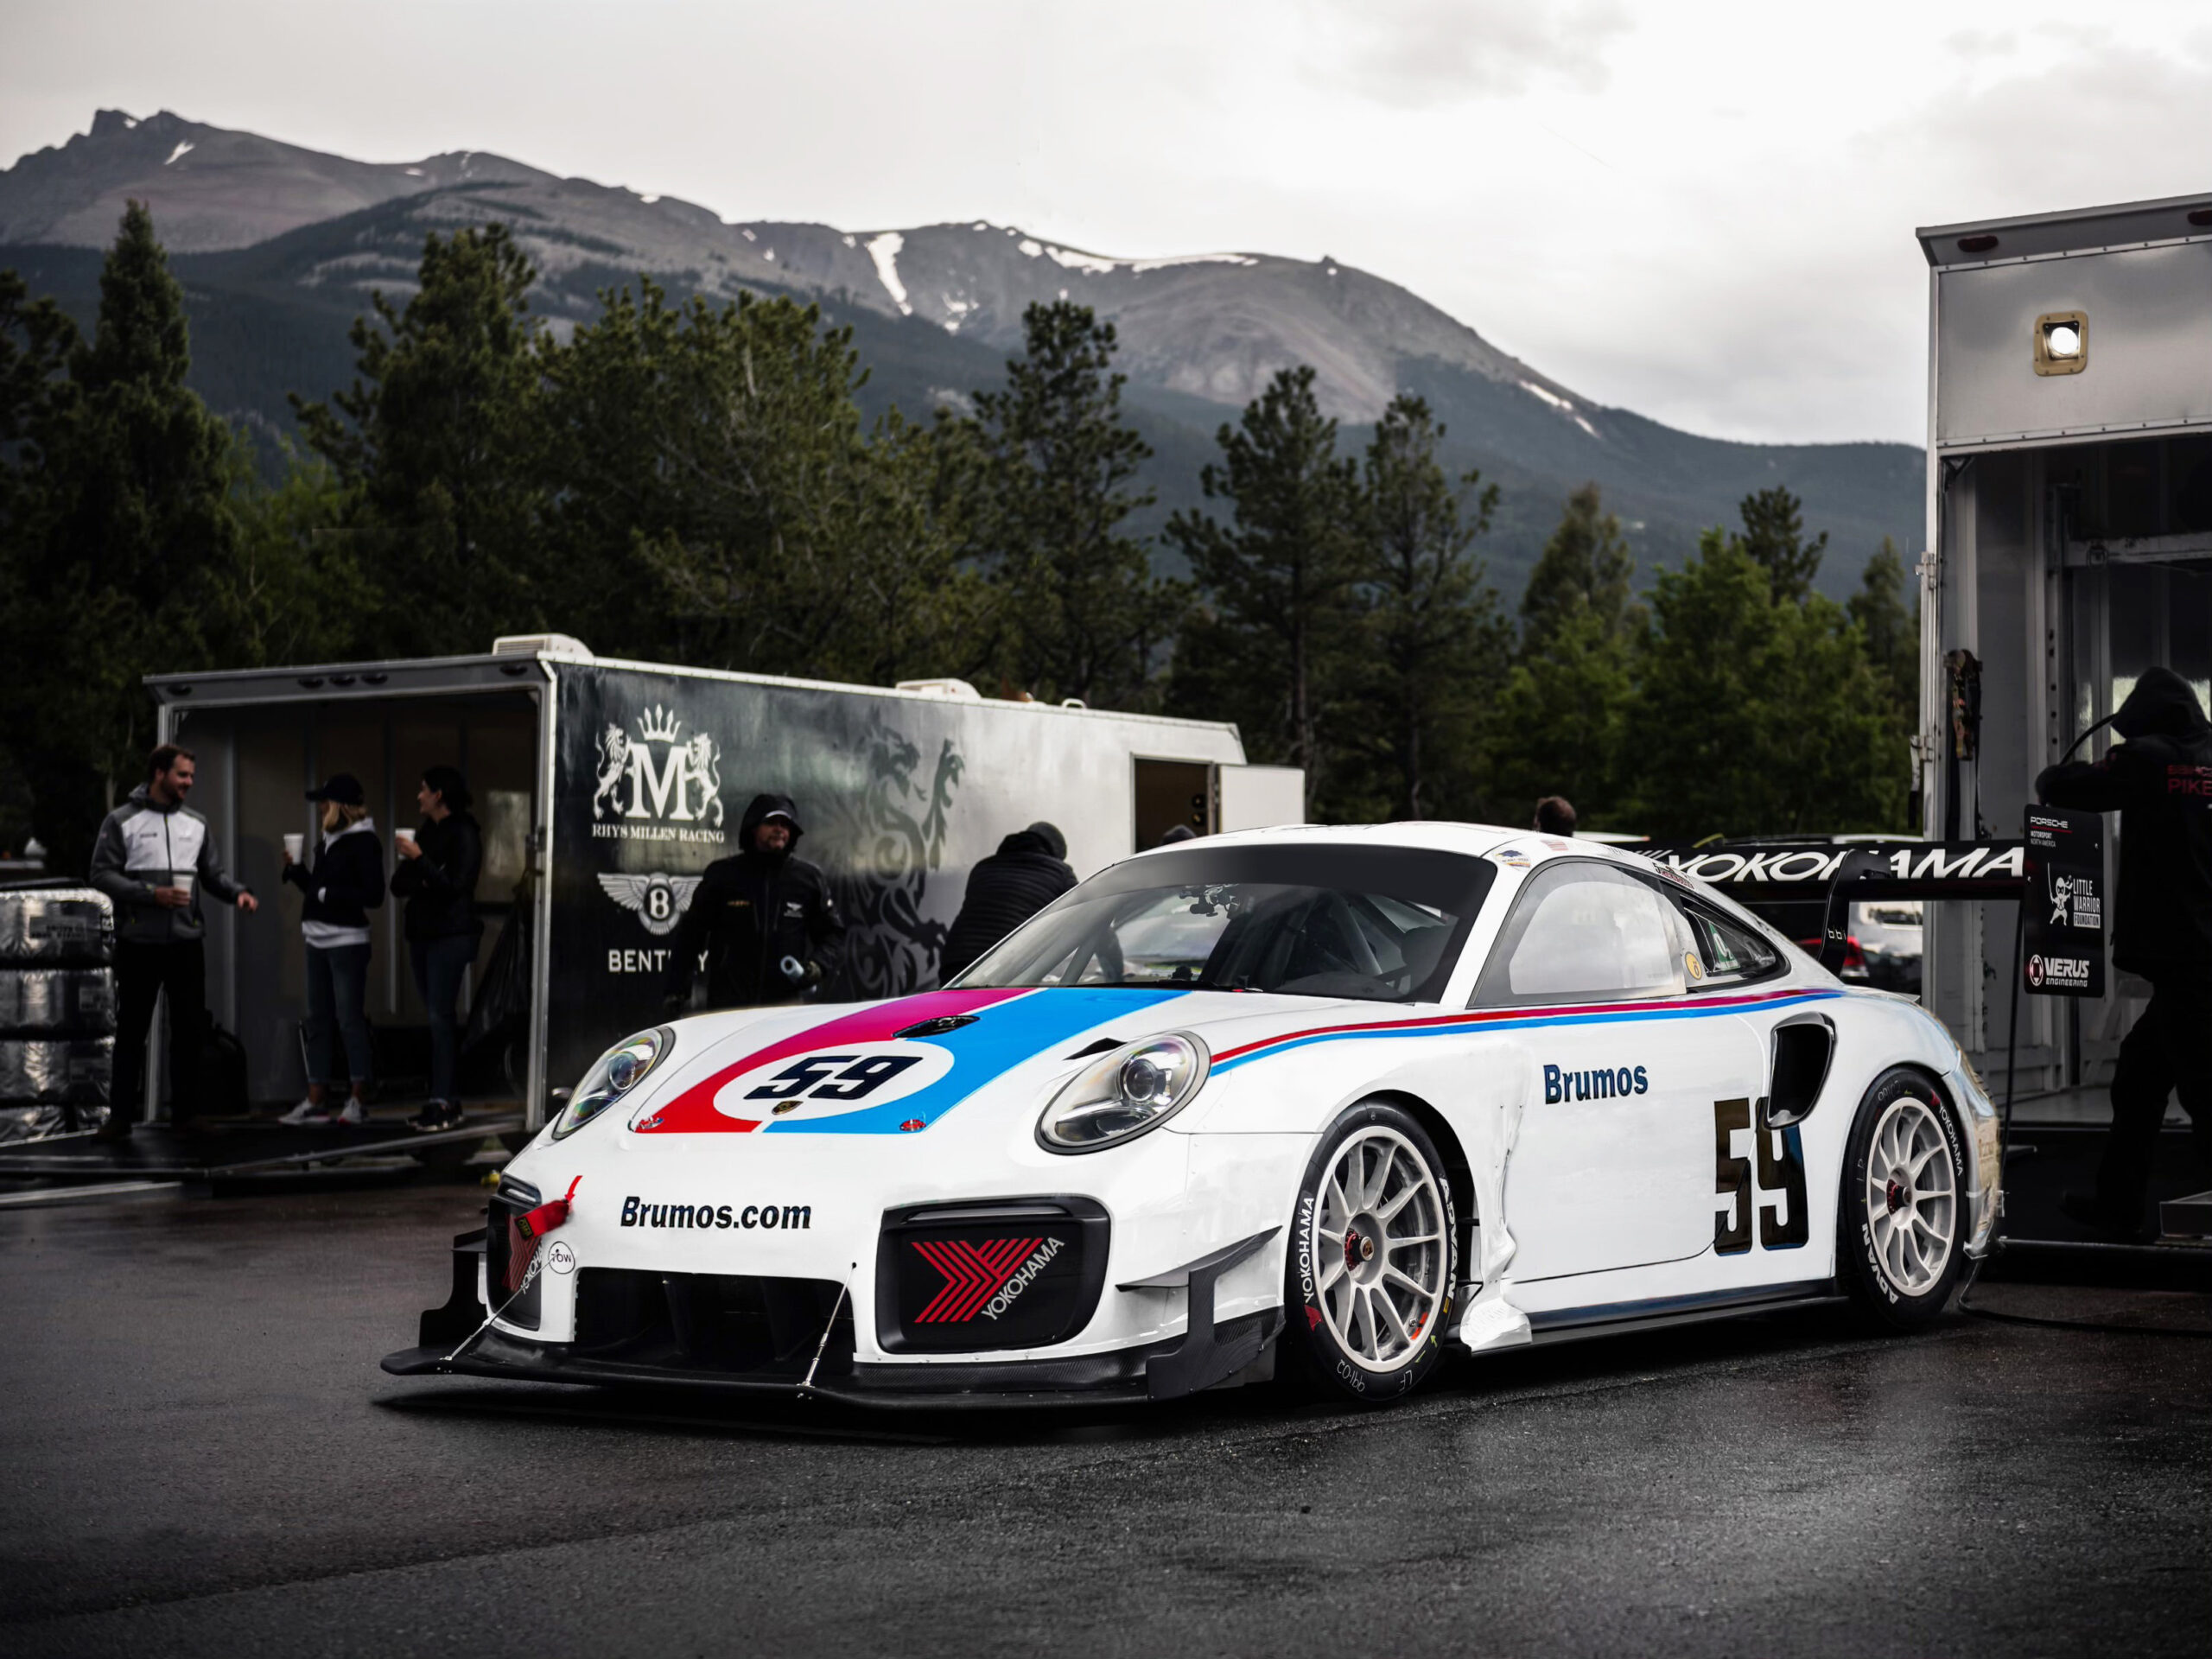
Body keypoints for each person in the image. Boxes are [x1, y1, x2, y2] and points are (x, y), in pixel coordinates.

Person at [2037, 667, 2212, 1239]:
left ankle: (2122, 1211)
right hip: (2199, 959)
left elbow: (2066, 787)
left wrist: (2052, 773)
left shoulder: (2147, 759)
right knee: (2139, 1077)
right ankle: (2117, 1209)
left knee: (2203, 1091)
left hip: (2183, 954)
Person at [88, 744, 260, 1139]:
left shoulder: (195, 824)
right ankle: (119, 1118)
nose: (189, 783)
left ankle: (186, 1113)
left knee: (188, 1032)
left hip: (185, 942)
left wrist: (238, 894)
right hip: (139, 942)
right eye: (182, 775)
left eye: (192, 777)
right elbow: (100, 874)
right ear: (159, 773)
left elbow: (212, 875)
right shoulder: (121, 821)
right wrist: (151, 894)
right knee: (132, 1029)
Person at [665, 793, 845, 1013]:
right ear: (752, 828)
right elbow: (691, 936)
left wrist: (817, 966)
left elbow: (833, 934)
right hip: (728, 1007)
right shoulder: (722, 875)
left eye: (786, 825)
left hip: (784, 1010)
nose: (780, 829)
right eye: (771, 822)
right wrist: (676, 988)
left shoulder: (808, 879)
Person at [277, 775, 385, 1126]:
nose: (320, 808)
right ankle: (315, 1099)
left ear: (339, 805)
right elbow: (317, 890)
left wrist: (327, 895)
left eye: (325, 802)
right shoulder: (328, 840)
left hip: (347, 943)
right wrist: (296, 873)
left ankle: (357, 1097)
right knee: (317, 1019)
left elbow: (374, 895)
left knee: (349, 1019)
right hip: (316, 939)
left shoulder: (364, 842)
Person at [389, 766, 482, 1133]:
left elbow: (457, 885)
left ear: (439, 795)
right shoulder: (428, 832)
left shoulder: (465, 833)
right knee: (435, 1017)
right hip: (424, 936)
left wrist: (419, 861)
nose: (419, 796)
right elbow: (399, 885)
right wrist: (424, 868)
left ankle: (442, 1101)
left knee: (440, 1017)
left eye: (424, 790)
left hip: (451, 937)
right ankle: (444, 1098)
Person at [939, 822, 1077, 982]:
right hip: (1006, 965)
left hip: (957, 961)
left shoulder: (982, 867)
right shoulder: (1060, 872)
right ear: (1055, 854)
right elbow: (1092, 917)